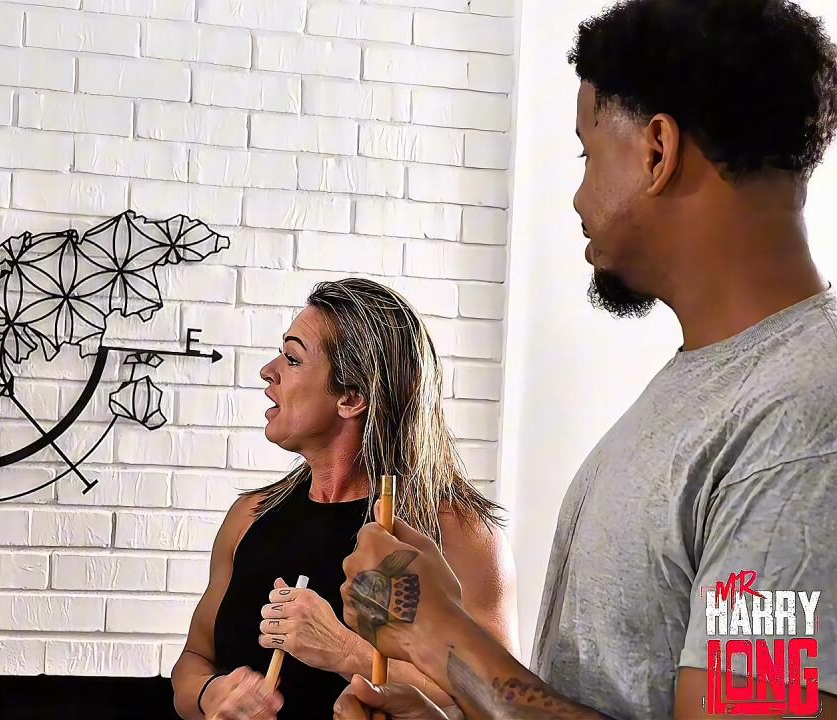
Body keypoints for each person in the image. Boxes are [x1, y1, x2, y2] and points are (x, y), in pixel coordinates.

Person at [337, 1, 837, 718]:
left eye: (587, 153)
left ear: (657, 151)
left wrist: (445, 635)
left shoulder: (802, 419)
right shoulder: (716, 389)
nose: (577, 197)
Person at [171, 278, 518, 720]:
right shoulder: (249, 517)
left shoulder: (460, 532)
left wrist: (343, 650)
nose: (269, 371)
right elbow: (194, 659)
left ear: (351, 398)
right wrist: (210, 694)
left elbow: (502, 704)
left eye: (293, 359)